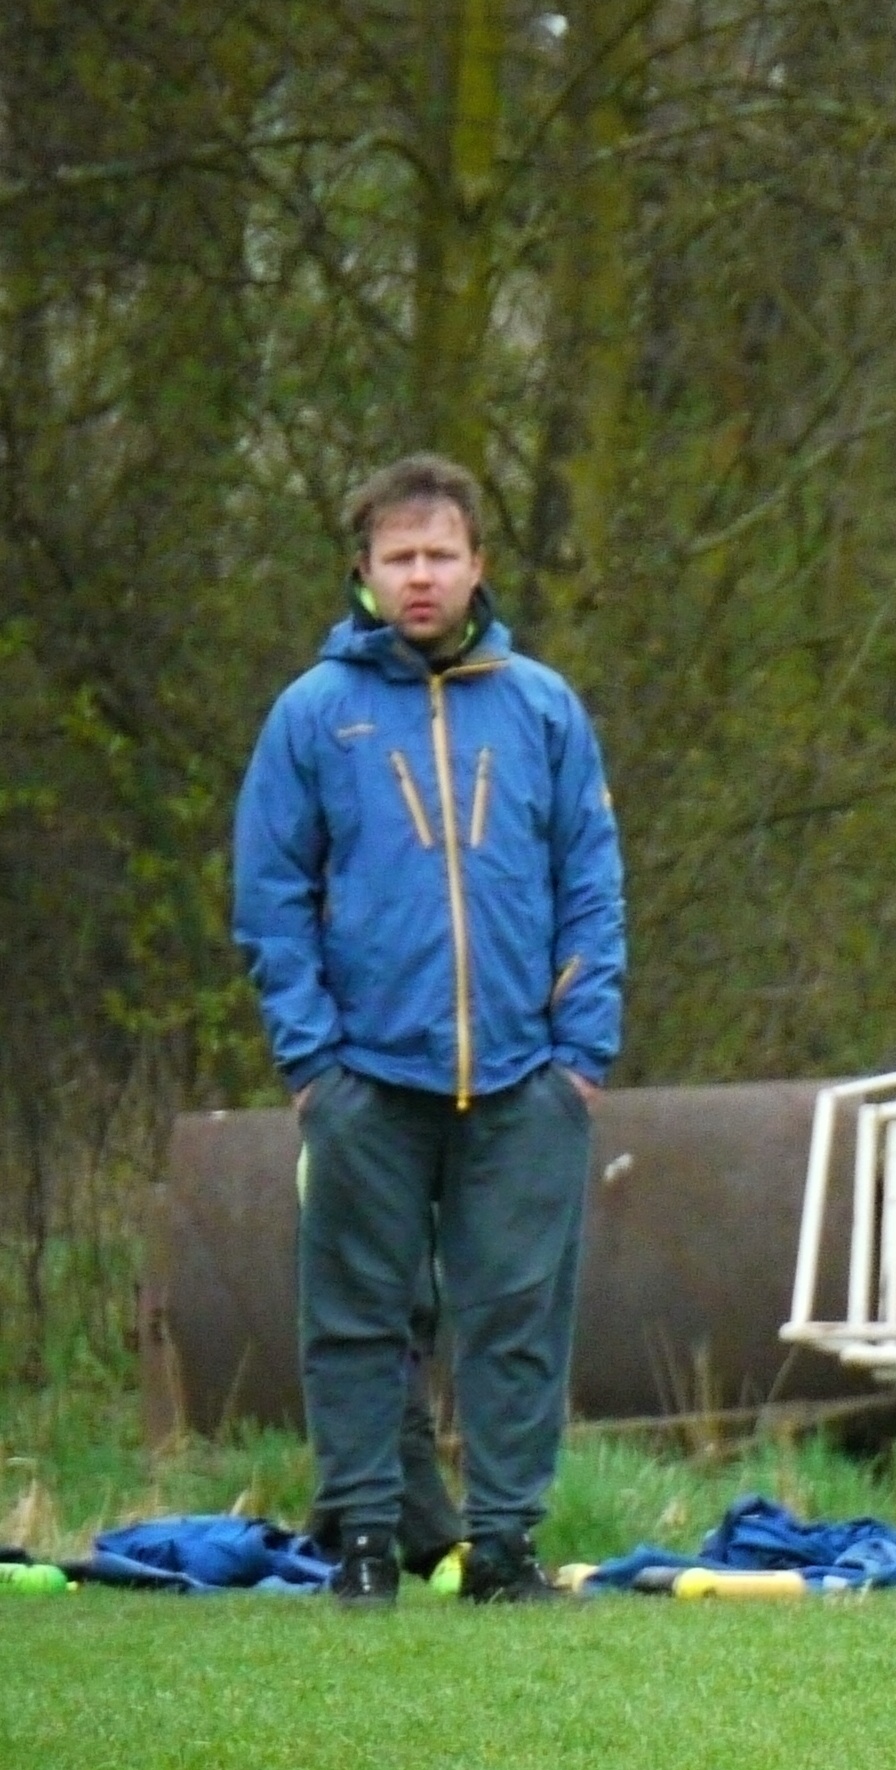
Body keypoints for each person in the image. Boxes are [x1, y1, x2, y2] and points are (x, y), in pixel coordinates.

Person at [234, 451, 625, 1609]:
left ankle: (503, 1543)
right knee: (355, 1318)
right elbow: (270, 898)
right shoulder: (313, 714)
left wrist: (578, 1054)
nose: (420, 576)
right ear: (363, 570)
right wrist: (313, 1062)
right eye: (398, 556)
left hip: (524, 1079)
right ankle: (362, 1536)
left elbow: (592, 885)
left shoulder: (543, 706)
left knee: (517, 1319)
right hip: (365, 1078)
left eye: (439, 554)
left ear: (476, 564)